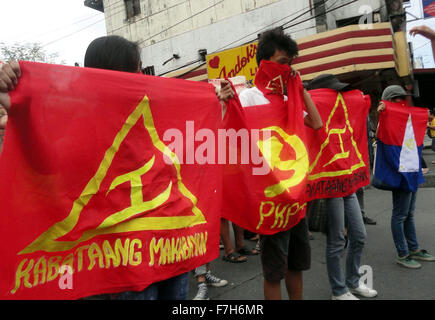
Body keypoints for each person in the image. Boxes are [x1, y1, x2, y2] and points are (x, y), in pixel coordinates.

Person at [0, 35, 235, 300]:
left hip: (171, 249)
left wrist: (211, 100)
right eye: (136, 68)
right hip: (125, 264)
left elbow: (194, 142)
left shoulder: (159, 108)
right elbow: (46, 161)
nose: (140, 74)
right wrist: (14, 98)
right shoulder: (76, 120)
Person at [237, 28, 323, 300]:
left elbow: (317, 123)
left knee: (295, 266)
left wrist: (299, 88)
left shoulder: (288, 100)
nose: (287, 69)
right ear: (265, 63)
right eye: (282, 62)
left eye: (290, 64)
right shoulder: (249, 97)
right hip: (269, 201)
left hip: (295, 199)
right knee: (274, 272)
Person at [308, 73, 378, 300]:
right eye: (334, 93)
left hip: (346, 183)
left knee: (359, 235)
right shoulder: (309, 113)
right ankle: (339, 291)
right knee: (337, 240)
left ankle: (353, 282)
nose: (339, 96)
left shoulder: (341, 112)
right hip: (329, 185)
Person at [377, 85, 435, 269]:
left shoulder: (407, 118)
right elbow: (384, 139)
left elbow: (414, 142)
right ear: (390, 101)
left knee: (408, 214)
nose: (404, 102)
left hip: (412, 170)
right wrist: (383, 112)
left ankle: (414, 249)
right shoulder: (386, 119)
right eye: (399, 100)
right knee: (400, 215)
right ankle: (402, 254)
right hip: (401, 172)